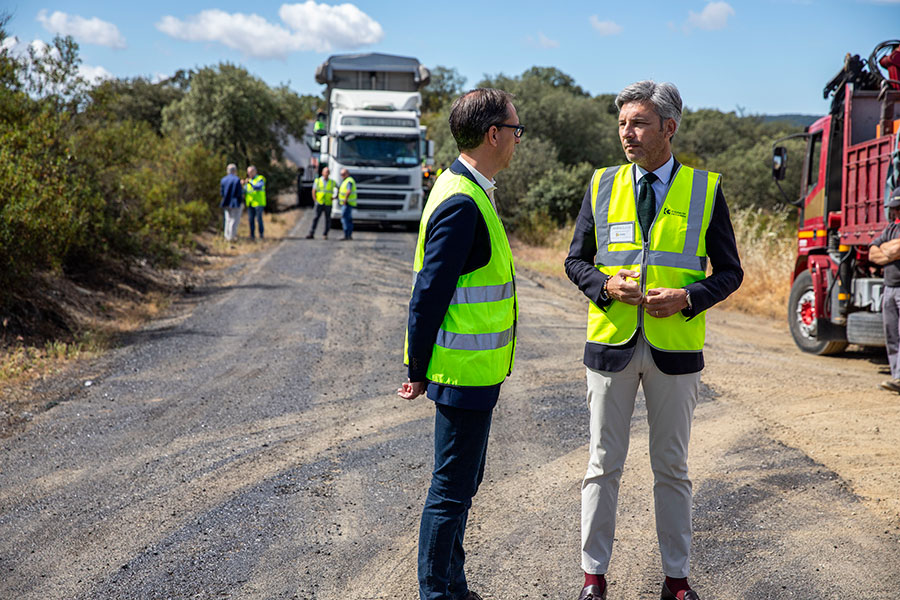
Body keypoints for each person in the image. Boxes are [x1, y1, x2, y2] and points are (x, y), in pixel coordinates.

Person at [564, 80, 743, 600]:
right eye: (622, 123)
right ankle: (593, 579)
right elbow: (575, 260)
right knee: (602, 463)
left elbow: (730, 273)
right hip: (610, 344)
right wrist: (605, 286)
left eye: (638, 123)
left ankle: (677, 581)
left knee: (672, 467)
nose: (627, 133)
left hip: (675, 349)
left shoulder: (705, 190)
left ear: (669, 127)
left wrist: (688, 298)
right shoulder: (601, 183)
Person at [397, 88, 523, 600]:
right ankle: (437, 592)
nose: (517, 140)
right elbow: (429, 292)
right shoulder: (463, 200)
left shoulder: (469, 187)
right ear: (494, 134)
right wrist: (416, 367)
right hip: (460, 372)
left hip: (472, 372)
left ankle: (454, 586)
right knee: (450, 492)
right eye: (515, 130)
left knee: (460, 489)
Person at [869, 186, 900, 392]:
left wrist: (887, 251)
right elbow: (872, 253)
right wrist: (890, 252)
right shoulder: (890, 229)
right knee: (892, 335)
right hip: (889, 288)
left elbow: (895, 249)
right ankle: (897, 377)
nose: (895, 212)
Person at [306, 166, 336, 239]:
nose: (327, 173)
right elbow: (313, 191)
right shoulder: (318, 181)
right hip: (319, 203)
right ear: (322, 173)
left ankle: (325, 234)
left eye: (328, 172)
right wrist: (315, 200)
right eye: (325, 171)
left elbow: (337, 191)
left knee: (328, 219)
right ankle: (311, 233)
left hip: (328, 203)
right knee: (315, 218)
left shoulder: (332, 182)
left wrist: (335, 197)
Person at [220, 163, 244, 242]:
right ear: (235, 171)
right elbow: (239, 193)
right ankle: (231, 236)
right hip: (235, 202)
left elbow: (222, 193)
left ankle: (226, 236)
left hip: (226, 202)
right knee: (234, 220)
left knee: (227, 219)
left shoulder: (223, 180)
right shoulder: (237, 180)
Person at [243, 166, 266, 240]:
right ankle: (252, 235)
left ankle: (261, 234)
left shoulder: (260, 179)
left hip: (258, 203)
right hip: (250, 203)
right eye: (248, 172)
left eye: (251, 172)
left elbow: (258, 187)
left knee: (259, 219)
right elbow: (245, 191)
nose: (249, 174)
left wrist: (249, 182)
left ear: (255, 172)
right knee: (251, 220)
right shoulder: (248, 181)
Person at [338, 168, 357, 241]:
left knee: (345, 218)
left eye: (343, 174)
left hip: (347, 203)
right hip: (347, 202)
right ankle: (349, 235)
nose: (342, 176)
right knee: (348, 219)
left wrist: (345, 200)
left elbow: (348, 191)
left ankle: (347, 235)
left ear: (347, 174)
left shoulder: (349, 181)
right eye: (341, 174)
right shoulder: (346, 181)